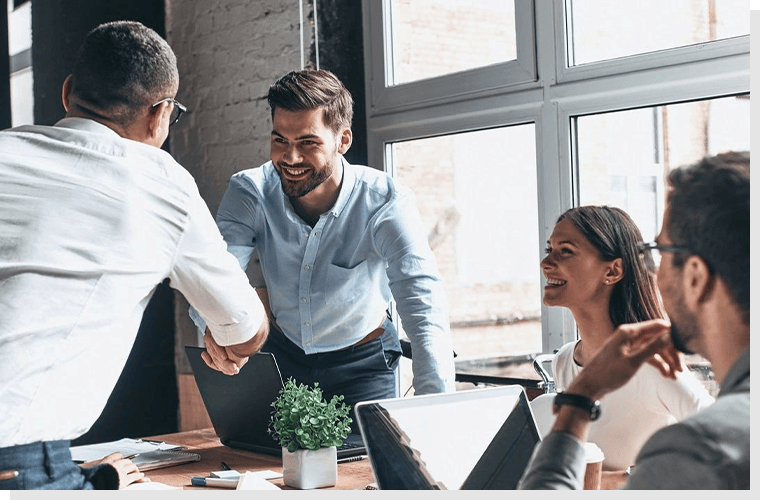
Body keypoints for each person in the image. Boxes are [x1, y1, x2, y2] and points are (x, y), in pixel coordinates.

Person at [0, 21, 268, 490]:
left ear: (67, 93)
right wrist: (229, 340)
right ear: (160, 114)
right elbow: (246, 329)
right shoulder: (160, 183)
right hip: (19, 462)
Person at [193, 69, 455, 428]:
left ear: (342, 140)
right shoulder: (250, 191)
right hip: (282, 357)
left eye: (308, 142)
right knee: (266, 469)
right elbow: (213, 274)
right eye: (280, 140)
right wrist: (213, 331)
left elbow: (422, 303)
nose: (290, 158)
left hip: (361, 365)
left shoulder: (385, 202)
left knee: (365, 473)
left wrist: (437, 411)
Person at [520, 151, 750, 490]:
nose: (652, 270)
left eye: (661, 253)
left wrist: (579, 402)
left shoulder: (694, 450)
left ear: (696, 276)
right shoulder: (565, 360)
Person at [541, 205, 714, 486]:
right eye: (549, 249)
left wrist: (620, 479)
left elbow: (726, 442)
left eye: (566, 251)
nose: (546, 263)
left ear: (613, 271)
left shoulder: (650, 365)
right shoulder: (564, 361)